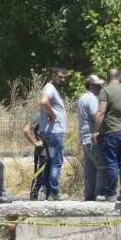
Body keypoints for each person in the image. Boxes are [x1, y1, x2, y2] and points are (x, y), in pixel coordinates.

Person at [94, 68, 121, 201]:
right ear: (120, 76)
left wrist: (96, 130)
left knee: (112, 163)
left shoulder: (105, 91)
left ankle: (111, 193)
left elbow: (101, 111)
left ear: (107, 77)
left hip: (111, 131)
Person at [37, 67, 68, 201]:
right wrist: (53, 114)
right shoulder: (50, 87)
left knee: (50, 162)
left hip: (50, 131)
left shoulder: (53, 89)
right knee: (56, 162)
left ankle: (46, 192)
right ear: (54, 75)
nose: (63, 79)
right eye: (60, 77)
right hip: (54, 132)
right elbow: (44, 101)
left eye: (64, 77)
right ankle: (54, 192)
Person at [77, 75, 103, 201]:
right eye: (98, 86)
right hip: (92, 137)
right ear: (91, 86)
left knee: (89, 168)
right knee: (100, 165)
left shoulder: (82, 98)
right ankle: (99, 194)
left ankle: (89, 195)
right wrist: (99, 131)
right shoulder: (92, 99)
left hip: (84, 136)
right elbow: (96, 116)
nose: (100, 88)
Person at [23, 122, 47, 200]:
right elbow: (26, 130)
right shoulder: (39, 117)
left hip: (49, 151)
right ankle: (34, 194)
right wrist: (35, 143)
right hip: (42, 152)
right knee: (39, 175)